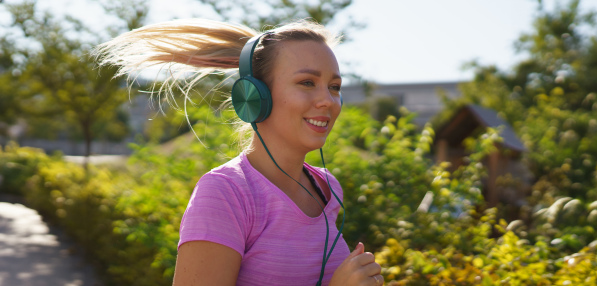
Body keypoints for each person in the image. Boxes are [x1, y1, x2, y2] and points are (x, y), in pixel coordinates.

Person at [94, 18, 382, 286]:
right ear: (255, 96)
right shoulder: (226, 193)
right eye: (307, 82)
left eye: (334, 87)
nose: (328, 101)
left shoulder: (327, 188)